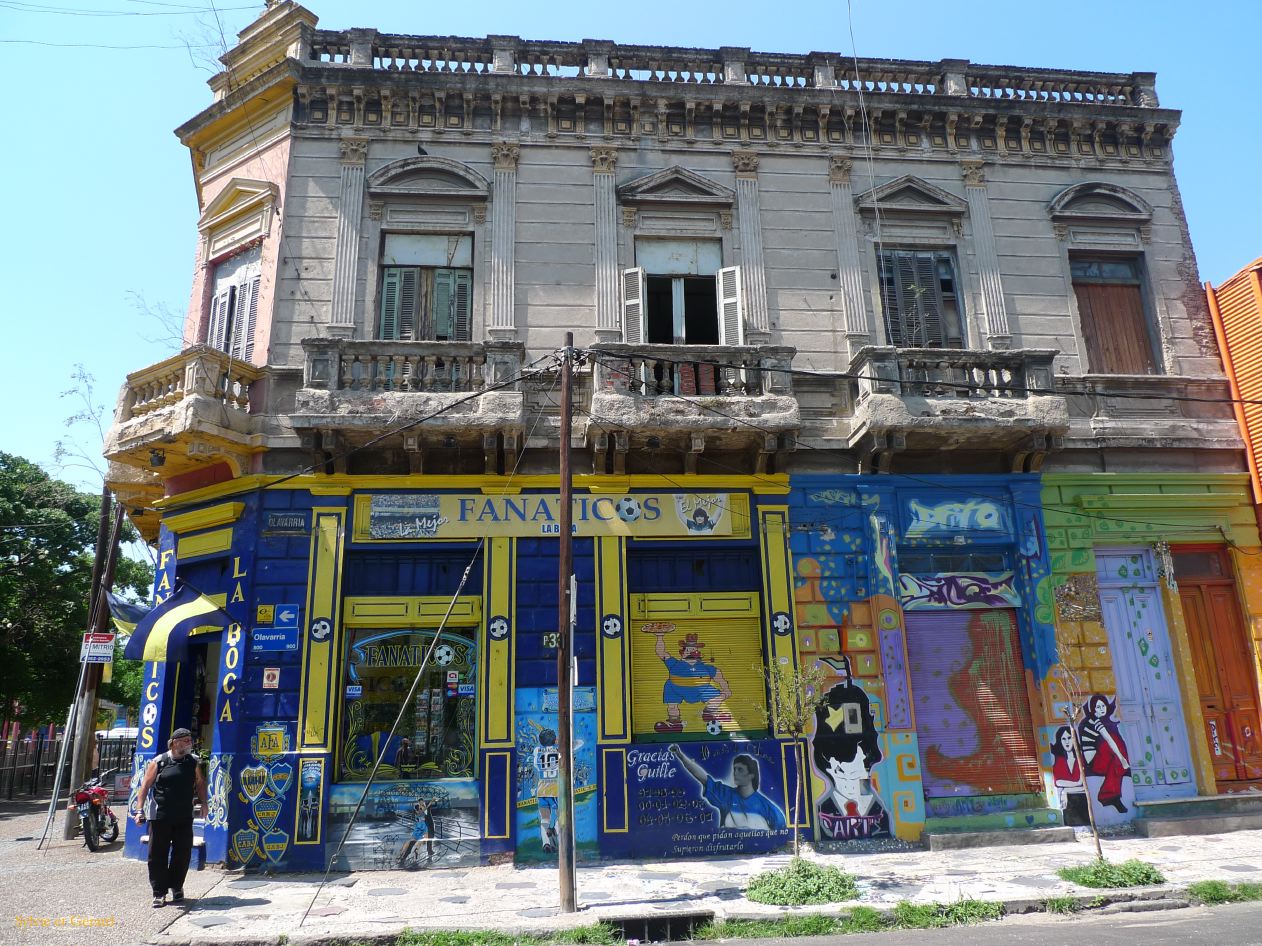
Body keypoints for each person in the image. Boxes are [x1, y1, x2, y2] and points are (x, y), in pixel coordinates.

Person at [134, 728, 207, 909]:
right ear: (174, 742)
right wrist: (139, 810)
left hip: (184, 815)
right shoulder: (159, 762)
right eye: (185, 740)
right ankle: (159, 892)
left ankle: (176, 886)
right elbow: (144, 786)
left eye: (190, 740)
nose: (189, 743)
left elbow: (200, 783)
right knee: (157, 854)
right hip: (160, 815)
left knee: (182, 854)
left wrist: (204, 803)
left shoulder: (193, 761)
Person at [669, 744, 786, 831]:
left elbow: (781, 833)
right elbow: (703, 778)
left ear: (752, 775)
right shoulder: (726, 795)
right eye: (734, 769)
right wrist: (681, 756)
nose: (735, 773)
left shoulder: (768, 807)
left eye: (740, 769)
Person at [648, 624, 731, 734]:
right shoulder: (674, 664)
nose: (690, 652)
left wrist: (726, 689)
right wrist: (659, 636)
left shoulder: (706, 667)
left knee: (722, 695)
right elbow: (661, 652)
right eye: (688, 649)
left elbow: (719, 678)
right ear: (682, 652)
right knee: (672, 706)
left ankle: (709, 712)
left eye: (693, 649)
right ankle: (675, 725)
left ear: (698, 652)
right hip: (676, 689)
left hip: (701, 690)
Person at [1077, 694, 1131, 813]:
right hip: (1094, 763)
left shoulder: (1096, 721)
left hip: (1101, 760)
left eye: (1103, 706)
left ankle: (1110, 796)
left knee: (1116, 751)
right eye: (1098, 707)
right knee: (1114, 741)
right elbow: (1109, 740)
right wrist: (1122, 759)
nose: (1101, 709)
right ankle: (1109, 795)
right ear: (1093, 709)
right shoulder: (1096, 721)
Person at [1050, 725, 1089, 826]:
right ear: (1060, 741)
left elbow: (1081, 781)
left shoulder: (1080, 758)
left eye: (1069, 738)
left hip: (1080, 797)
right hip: (1071, 797)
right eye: (1063, 739)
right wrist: (1075, 784)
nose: (1067, 742)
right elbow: (1057, 781)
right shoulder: (1060, 760)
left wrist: (1065, 789)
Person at [396, 798, 435, 867]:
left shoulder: (426, 808)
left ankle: (428, 853)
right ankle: (404, 857)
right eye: (420, 802)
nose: (422, 803)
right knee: (413, 843)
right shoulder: (419, 809)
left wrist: (432, 801)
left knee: (427, 841)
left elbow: (433, 805)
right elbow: (420, 812)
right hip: (422, 828)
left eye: (422, 802)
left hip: (427, 828)